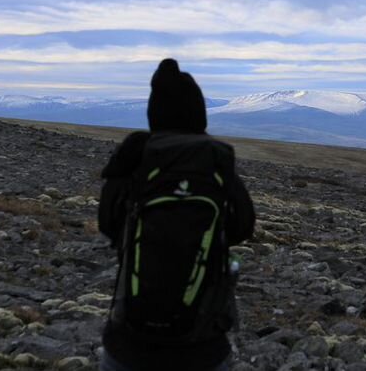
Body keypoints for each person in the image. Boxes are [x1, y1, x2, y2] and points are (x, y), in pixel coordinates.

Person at [98, 59, 255, 371]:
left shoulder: (135, 156)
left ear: (153, 113)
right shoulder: (216, 160)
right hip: (202, 343)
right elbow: (243, 225)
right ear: (200, 114)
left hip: (130, 340)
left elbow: (108, 223)